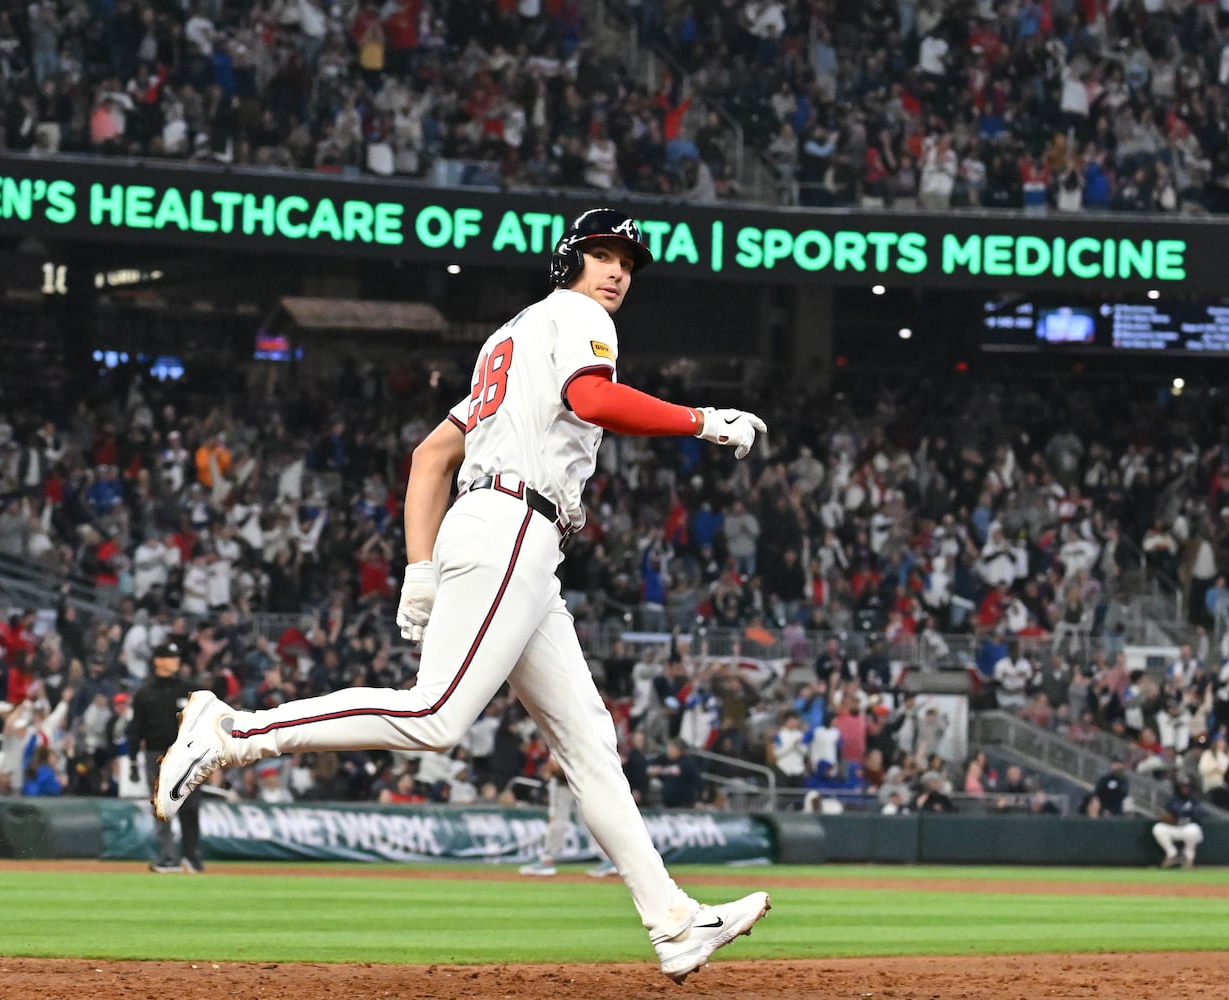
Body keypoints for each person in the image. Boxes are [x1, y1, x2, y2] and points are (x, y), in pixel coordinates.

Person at [154, 208, 772, 983]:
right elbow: (591, 399)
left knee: (588, 743)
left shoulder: (509, 337)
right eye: (602, 254)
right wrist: (702, 421)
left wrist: (419, 568)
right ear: (569, 261)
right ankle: (235, 731)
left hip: (503, 532)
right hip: (514, 523)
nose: (615, 270)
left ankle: (672, 920)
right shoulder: (577, 317)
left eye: (626, 261)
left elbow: (430, 454)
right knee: (435, 717)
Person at [132, 640, 206, 873]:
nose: (176, 661)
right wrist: (133, 760)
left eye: (176, 657)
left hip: (187, 754)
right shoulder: (145, 693)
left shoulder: (189, 689)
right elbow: (136, 728)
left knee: (190, 806)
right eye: (170, 657)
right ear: (158, 661)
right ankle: (169, 857)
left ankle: (191, 856)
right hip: (156, 754)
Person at [517, 757, 616, 878]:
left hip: (564, 781)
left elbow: (554, 763)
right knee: (589, 821)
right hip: (584, 778)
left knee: (558, 820)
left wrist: (550, 767)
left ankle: (546, 860)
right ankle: (609, 859)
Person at [1152, 774, 1204, 868]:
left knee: (1192, 830)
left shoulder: (1194, 800)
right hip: (1175, 828)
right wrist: (1169, 818)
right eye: (1183, 786)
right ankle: (1172, 855)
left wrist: (1180, 816)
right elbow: (1166, 814)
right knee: (1158, 828)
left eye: (1187, 786)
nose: (1185, 789)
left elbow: (1197, 816)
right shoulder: (1173, 800)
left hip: (1189, 828)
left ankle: (1189, 858)